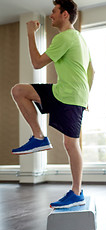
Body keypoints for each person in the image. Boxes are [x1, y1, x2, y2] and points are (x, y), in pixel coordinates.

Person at [11, 0, 94, 208]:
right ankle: (39, 137)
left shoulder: (65, 37)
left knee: (70, 144)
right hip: (64, 92)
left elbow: (37, 63)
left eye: (54, 11)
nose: (51, 16)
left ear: (65, 14)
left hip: (69, 95)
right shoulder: (80, 39)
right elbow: (91, 71)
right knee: (20, 90)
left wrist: (31, 34)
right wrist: (86, 97)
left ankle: (76, 193)